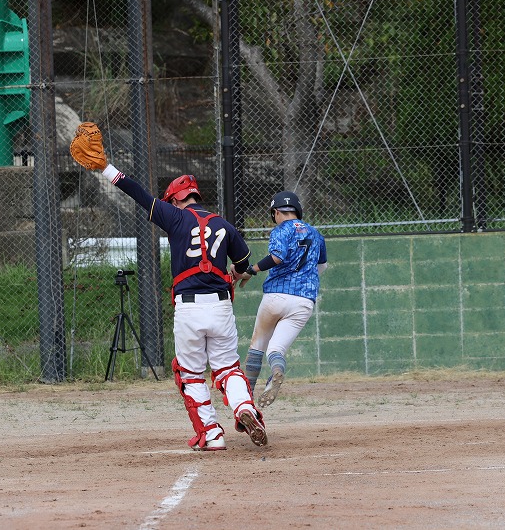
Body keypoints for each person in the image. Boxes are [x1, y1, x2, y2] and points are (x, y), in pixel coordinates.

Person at [89, 158, 267, 450]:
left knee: (190, 374)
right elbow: (243, 261)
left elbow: (137, 192)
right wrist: (235, 273)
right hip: (220, 307)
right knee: (227, 368)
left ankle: (212, 435)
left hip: (189, 308)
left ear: (174, 200)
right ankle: (244, 407)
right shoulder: (222, 224)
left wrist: (105, 167)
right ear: (196, 196)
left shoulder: (173, 216)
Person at [230, 191, 327, 409]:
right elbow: (322, 266)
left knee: (257, 348)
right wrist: (304, 280)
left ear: (275, 212)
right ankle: (276, 371)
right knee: (276, 349)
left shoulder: (280, 230)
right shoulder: (315, 233)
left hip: (276, 295)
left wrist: (250, 270)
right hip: (304, 301)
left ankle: (246, 400)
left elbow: (277, 257)